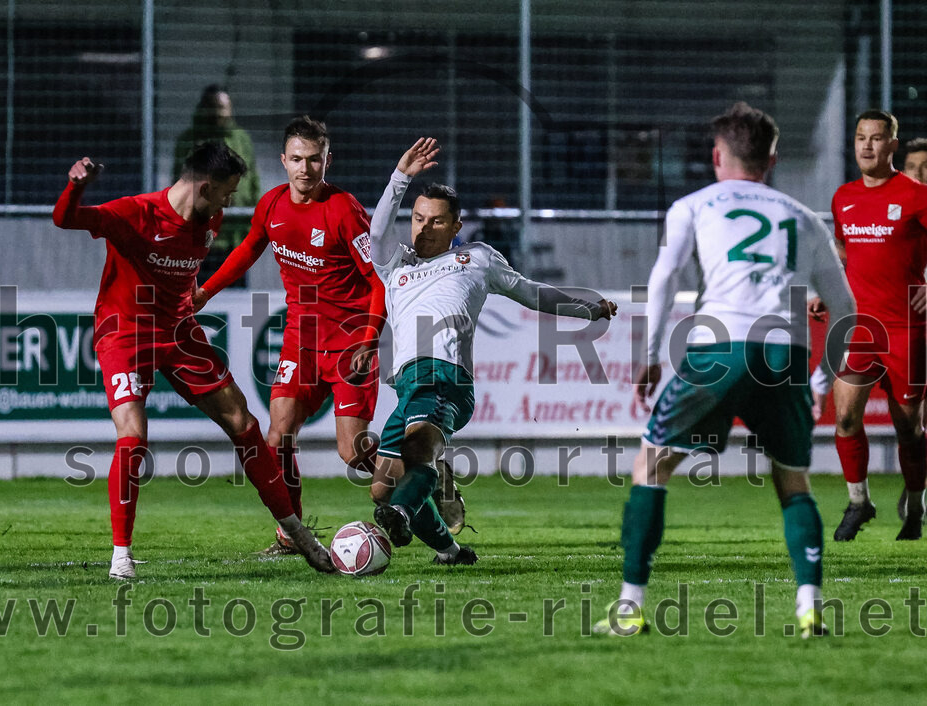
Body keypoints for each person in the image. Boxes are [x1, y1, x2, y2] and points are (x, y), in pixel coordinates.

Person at [594, 103, 855, 638]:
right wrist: (823, 380)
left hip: (718, 348)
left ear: (717, 155)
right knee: (793, 481)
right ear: (773, 158)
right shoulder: (805, 218)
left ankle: (628, 608)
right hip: (785, 355)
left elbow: (664, 278)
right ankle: (809, 606)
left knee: (652, 466)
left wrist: (648, 356)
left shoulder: (691, 206)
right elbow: (847, 309)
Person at [52, 141, 334, 578]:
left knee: (245, 424)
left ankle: (295, 530)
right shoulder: (136, 213)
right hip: (126, 333)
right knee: (133, 437)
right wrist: (75, 188)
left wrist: (196, 296)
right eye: (226, 192)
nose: (230, 202)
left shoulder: (210, 219)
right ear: (205, 187)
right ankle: (121, 555)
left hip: (181, 333)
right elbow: (65, 219)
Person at [366, 138, 618, 564]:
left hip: (445, 377)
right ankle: (451, 551)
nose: (424, 228)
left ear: (457, 226)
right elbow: (376, 230)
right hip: (407, 384)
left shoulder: (477, 259)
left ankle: (403, 510)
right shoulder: (396, 265)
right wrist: (401, 176)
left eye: (437, 221)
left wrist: (587, 307)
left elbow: (532, 292)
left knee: (411, 463)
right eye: (419, 219)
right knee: (382, 485)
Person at [194, 116, 386, 555]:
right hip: (301, 338)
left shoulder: (344, 210)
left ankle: (417, 473)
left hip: (349, 341)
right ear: (283, 160)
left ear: (327, 160)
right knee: (277, 438)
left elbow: (377, 282)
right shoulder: (272, 205)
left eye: (314, 159)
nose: (305, 168)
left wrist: (369, 339)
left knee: (352, 453)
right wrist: (206, 290)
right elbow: (246, 251)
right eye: (297, 159)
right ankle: (291, 536)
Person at [810, 110, 927, 542]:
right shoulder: (844, 197)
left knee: (908, 429)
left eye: (877, 139)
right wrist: (829, 288)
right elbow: (846, 253)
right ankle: (859, 502)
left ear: (892, 146)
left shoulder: (916, 196)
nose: (867, 146)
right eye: (861, 137)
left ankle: (915, 507)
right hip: (859, 327)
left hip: (906, 330)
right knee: (844, 417)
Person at [173, 85, 262, 282]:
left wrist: (253, 219)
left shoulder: (241, 139)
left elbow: (253, 180)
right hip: (200, 237)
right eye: (213, 107)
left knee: (235, 298)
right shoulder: (189, 140)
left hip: (235, 237)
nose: (218, 113)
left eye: (223, 107)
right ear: (203, 108)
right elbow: (178, 184)